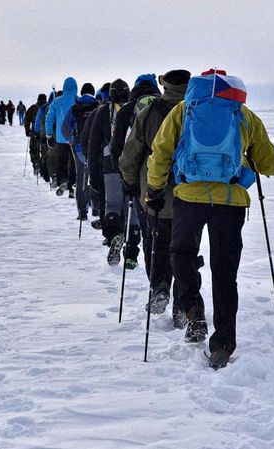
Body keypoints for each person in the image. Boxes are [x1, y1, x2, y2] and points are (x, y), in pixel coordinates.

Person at [146, 69, 274, 369]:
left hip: (188, 197)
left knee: (180, 253)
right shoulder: (241, 114)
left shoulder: (184, 109)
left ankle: (193, 310)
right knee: (224, 271)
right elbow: (270, 164)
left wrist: (155, 188)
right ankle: (223, 344)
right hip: (230, 202)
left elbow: (161, 151)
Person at [119, 69, 190, 327]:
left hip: (153, 190)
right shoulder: (195, 112)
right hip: (190, 193)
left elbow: (131, 154)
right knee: (185, 250)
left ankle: (159, 287)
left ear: (165, 86)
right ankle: (184, 303)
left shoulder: (148, 113)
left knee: (157, 242)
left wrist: (129, 183)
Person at [109, 73, 161, 270]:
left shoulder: (127, 109)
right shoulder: (168, 107)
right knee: (162, 223)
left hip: (137, 172)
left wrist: (124, 175)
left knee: (137, 215)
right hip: (166, 173)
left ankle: (133, 255)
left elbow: (117, 147)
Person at [88, 79, 136, 266]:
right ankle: (131, 252)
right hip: (132, 162)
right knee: (131, 205)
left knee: (113, 203)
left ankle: (114, 235)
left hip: (109, 164)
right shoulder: (135, 109)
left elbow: (93, 146)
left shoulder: (102, 113)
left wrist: (94, 176)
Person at [61, 82, 98, 220]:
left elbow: (65, 127)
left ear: (81, 93)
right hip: (95, 149)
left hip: (78, 149)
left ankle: (82, 211)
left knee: (81, 178)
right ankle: (96, 208)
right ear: (93, 93)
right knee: (95, 177)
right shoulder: (98, 106)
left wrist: (70, 139)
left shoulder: (74, 108)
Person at [45, 77, 78, 196]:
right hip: (74, 137)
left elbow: (49, 119)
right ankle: (73, 184)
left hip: (60, 137)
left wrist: (49, 134)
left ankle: (63, 180)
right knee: (74, 161)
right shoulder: (78, 100)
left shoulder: (57, 101)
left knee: (62, 161)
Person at [83, 83, 110, 228]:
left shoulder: (98, 113)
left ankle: (105, 220)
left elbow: (86, 139)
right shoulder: (129, 109)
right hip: (124, 161)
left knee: (102, 190)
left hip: (101, 160)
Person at [24, 94, 48, 177]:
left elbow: (26, 120)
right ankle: (44, 168)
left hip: (34, 133)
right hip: (45, 133)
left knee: (34, 150)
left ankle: (36, 165)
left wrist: (28, 131)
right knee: (45, 151)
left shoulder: (33, 108)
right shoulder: (48, 107)